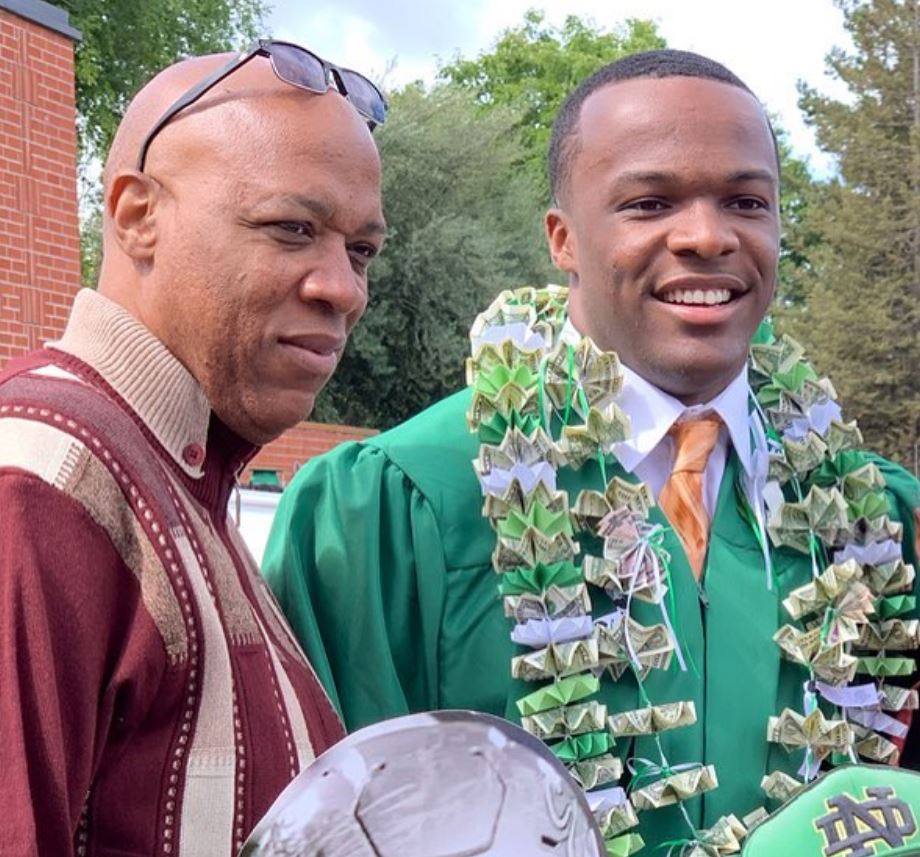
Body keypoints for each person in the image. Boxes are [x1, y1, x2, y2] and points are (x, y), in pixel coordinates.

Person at [263, 49, 920, 851]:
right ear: (563, 239)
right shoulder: (397, 509)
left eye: (747, 201)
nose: (708, 236)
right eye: (650, 202)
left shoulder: (875, 523)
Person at [0, 40, 386, 856]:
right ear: (138, 216)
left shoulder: (180, 474)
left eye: (360, 250)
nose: (343, 289)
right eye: (292, 228)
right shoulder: (41, 482)